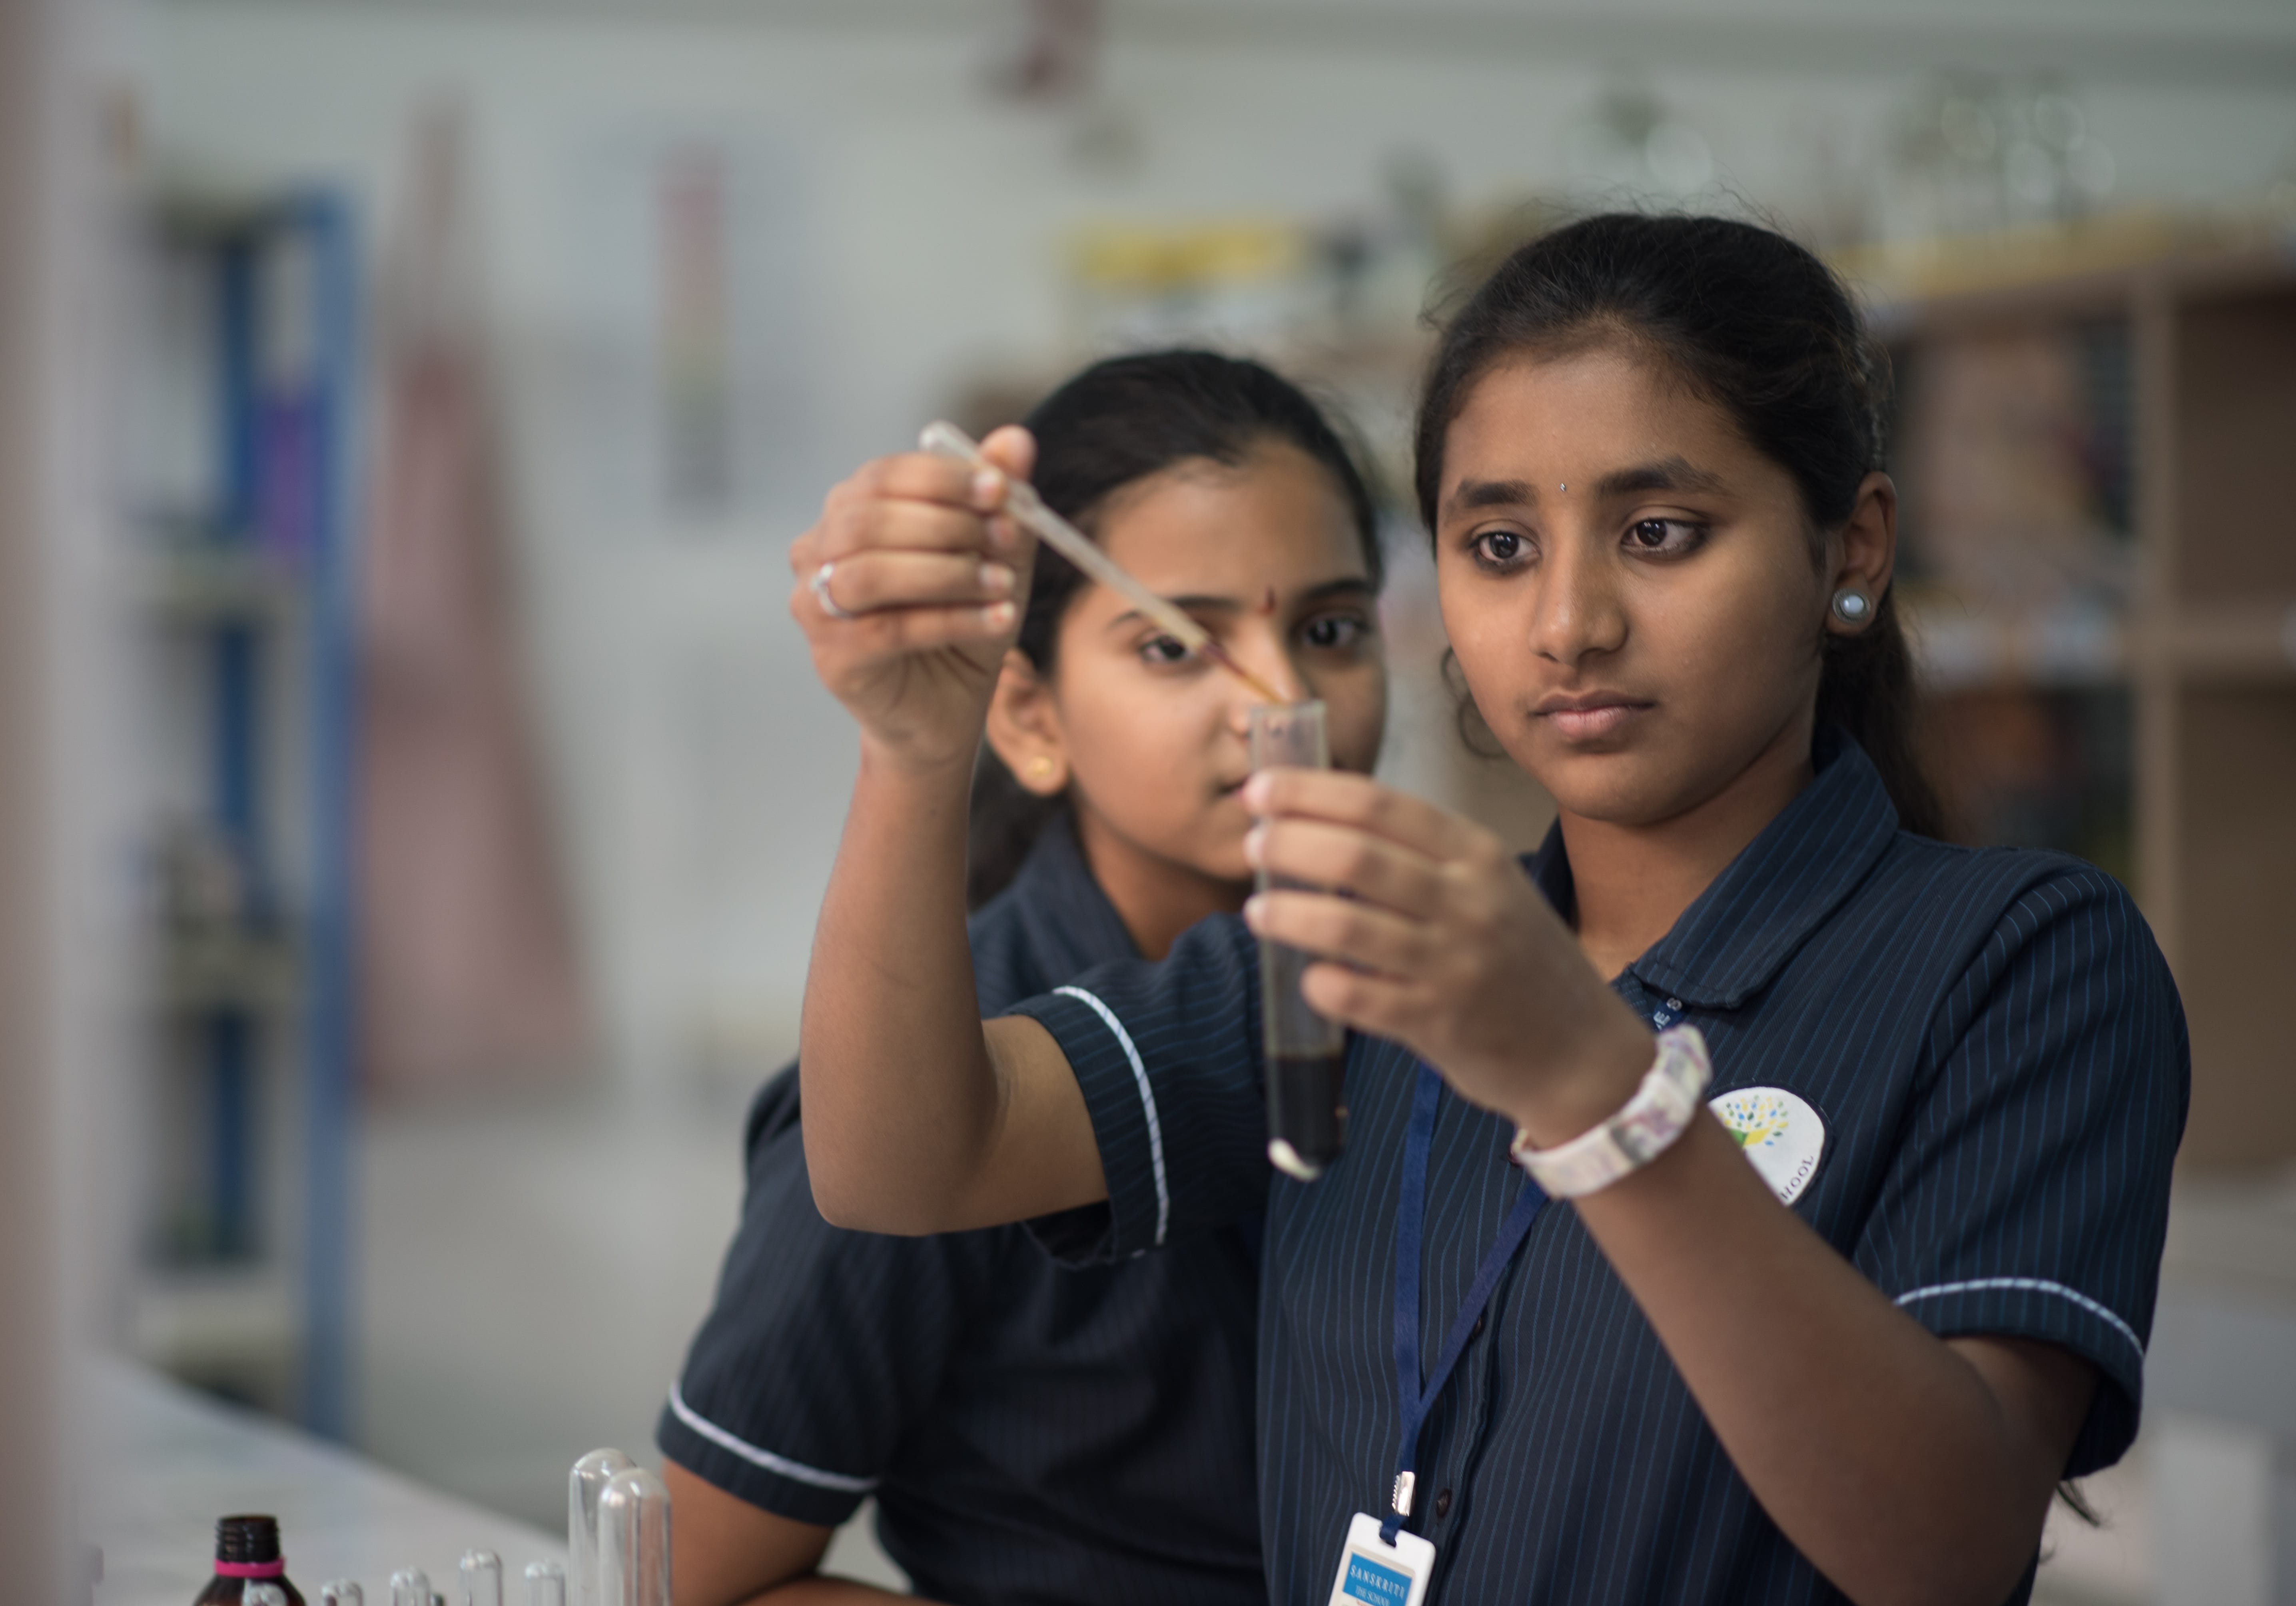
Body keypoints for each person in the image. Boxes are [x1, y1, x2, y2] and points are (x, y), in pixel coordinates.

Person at [783, 214, 2189, 1606]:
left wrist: (1594, 1089)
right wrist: (912, 756)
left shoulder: (2022, 962)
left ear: (1853, 549)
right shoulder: (1362, 955)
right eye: (1501, 545)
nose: (1570, 621)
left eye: (1659, 531)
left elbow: (1945, 1549)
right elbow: (899, 1163)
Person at [658, 350, 1391, 1606]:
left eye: (1330, 630)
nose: (1281, 699)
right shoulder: (938, 1078)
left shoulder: (1417, 982)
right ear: (1033, 721)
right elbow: (687, 1576)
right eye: (1173, 647)